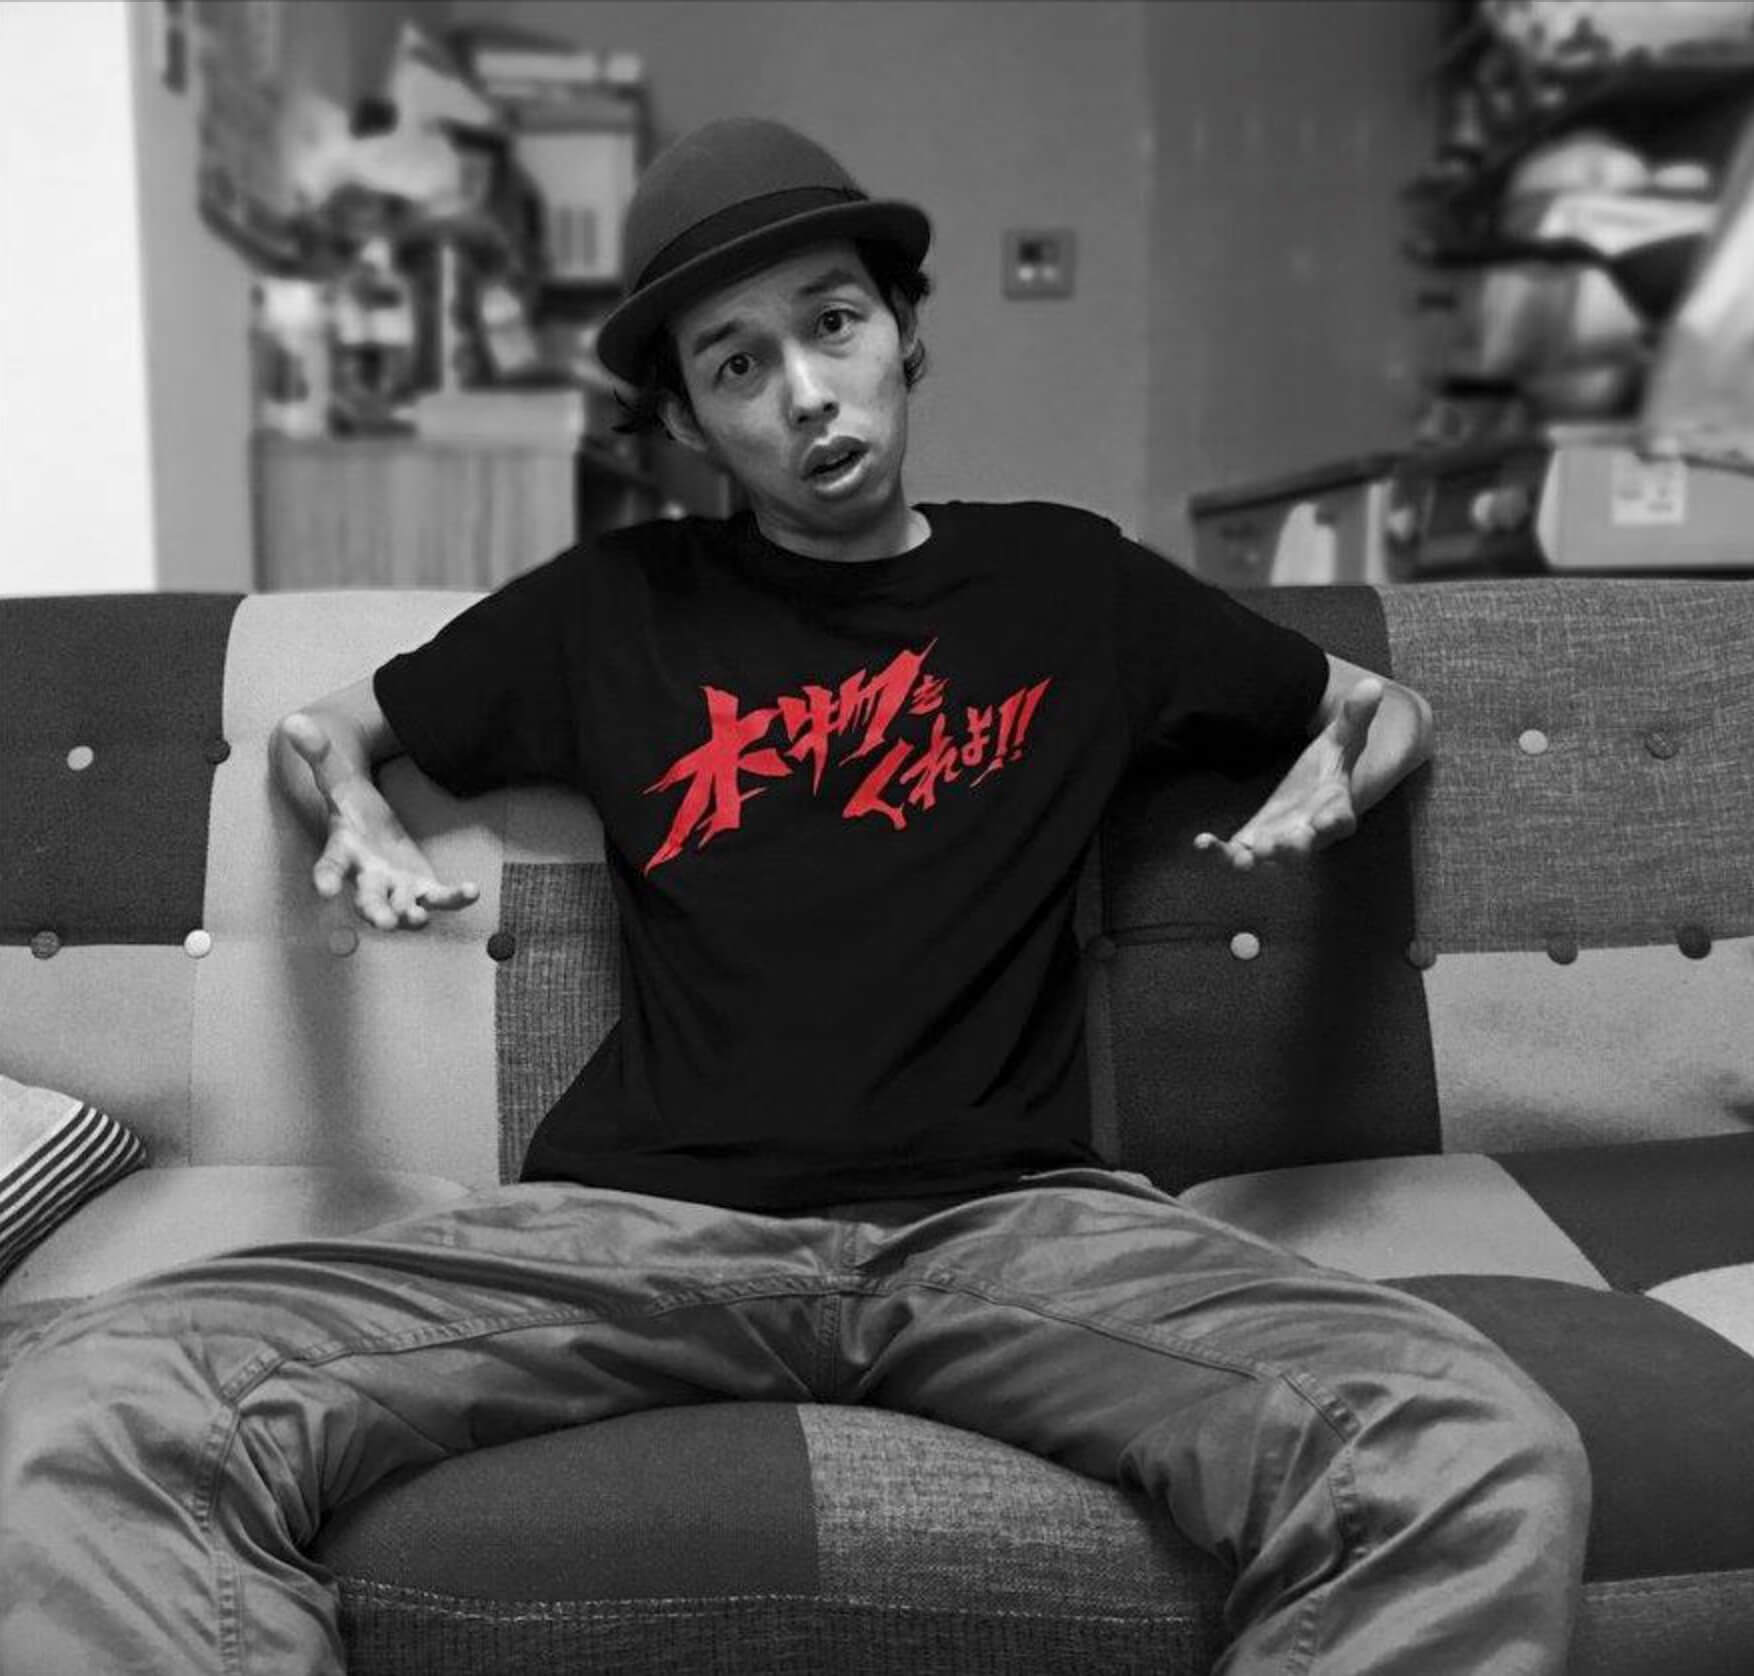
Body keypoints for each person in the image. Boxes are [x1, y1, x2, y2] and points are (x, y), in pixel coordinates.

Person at [0, 117, 1588, 1675]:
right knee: (98, 1402)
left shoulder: (1069, 584)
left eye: (832, 325)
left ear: (902, 332)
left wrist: (1357, 751)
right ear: (691, 421)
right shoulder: (612, 608)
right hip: (634, 1231)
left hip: (1003, 1227)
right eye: (736, 364)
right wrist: (345, 801)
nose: (806, 393)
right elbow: (320, 732)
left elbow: (1370, 707)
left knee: (1455, 1439)